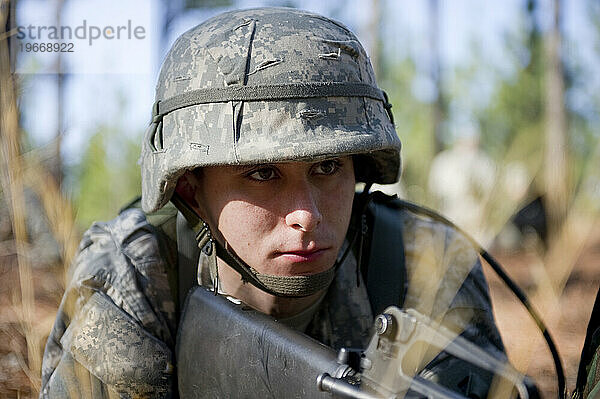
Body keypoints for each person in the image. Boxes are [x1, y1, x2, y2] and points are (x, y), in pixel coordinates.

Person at [40, 7, 509, 398]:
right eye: (263, 174)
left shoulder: (426, 264)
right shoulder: (136, 272)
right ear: (190, 190)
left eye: (328, 168)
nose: (306, 214)